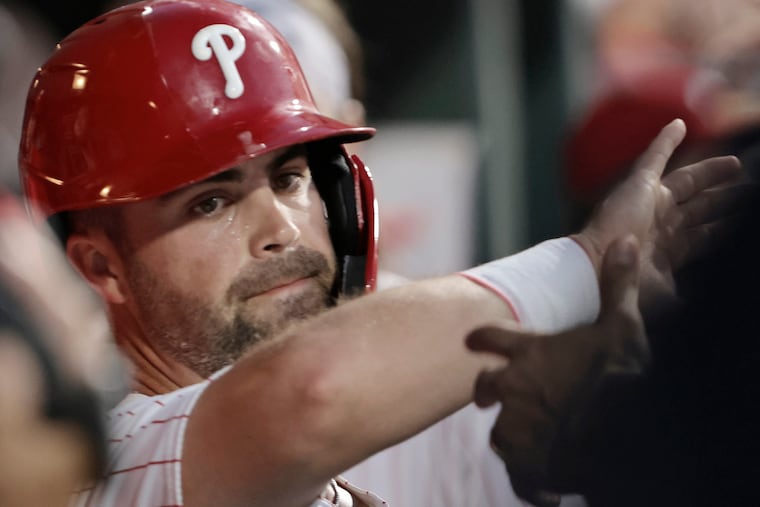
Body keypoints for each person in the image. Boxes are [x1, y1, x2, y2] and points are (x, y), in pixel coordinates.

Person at [17, 0, 742, 505]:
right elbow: (307, 395)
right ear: (100, 267)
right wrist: (585, 261)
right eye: (210, 202)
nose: (280, 228)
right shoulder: (99, 459)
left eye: (290, 178)